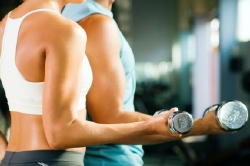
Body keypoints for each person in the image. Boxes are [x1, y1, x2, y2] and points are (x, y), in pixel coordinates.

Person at [0, 0, 185, 165]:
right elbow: (60, 134)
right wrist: (149, 126)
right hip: (53, 160)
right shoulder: (65, 30)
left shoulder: (6, 25)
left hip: (13, 158)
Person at [62, 0, 225, 165]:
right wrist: (202, 125)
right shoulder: (98, 24)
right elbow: (110, 119)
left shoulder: (74, 17)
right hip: (109, 160)